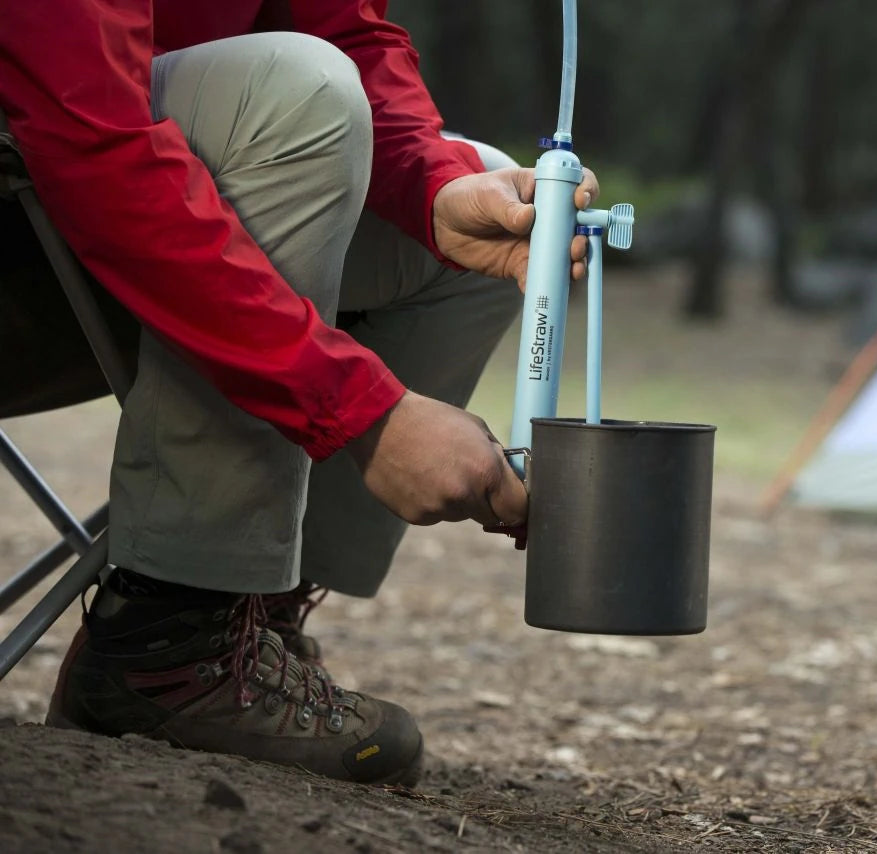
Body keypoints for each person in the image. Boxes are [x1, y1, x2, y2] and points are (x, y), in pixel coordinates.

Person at [0, 0, 599, 786]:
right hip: (39, 224)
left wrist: (431, 188)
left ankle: (249, 619)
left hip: (100, 228)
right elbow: (92, 141)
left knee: (485, 202)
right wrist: (364, 412)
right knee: (298, 91)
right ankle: (168, 648)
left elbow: (342, 27)